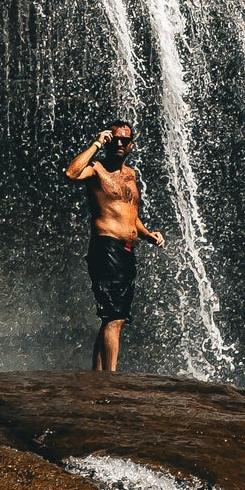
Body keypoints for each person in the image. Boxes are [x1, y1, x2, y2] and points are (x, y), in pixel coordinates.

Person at [64, 122, 164, 371]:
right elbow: (71, 173)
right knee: (115, 318)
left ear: (131, 144)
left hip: (126, 250)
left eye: (124, 140)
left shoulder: (130, 175)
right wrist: (97, 143)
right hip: (106, 247)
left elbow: (130, 215)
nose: (119, 144)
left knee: (112, 317)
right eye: (115, 139)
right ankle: (111, 380)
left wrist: (147, 235)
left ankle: (98, 378)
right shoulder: (97, 169)